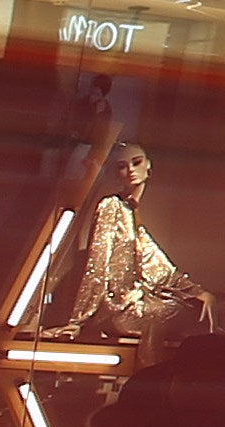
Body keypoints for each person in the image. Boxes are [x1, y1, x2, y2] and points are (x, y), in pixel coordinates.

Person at [70, 144, 205, 347]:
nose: (131, 170)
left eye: (136, 162)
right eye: (122, 166)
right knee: (190, 314)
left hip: (140, 299)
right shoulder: (111, 206)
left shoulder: (133, 213)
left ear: (148, 165)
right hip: (120, 308)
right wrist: (80, 318)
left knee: (204, 307)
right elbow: (97, 263)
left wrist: (196, 291)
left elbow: (157, 265)